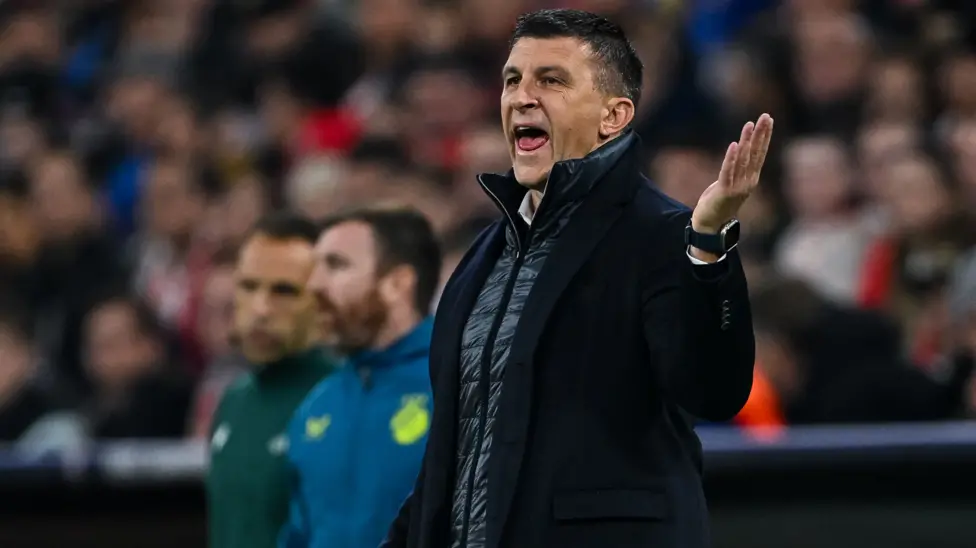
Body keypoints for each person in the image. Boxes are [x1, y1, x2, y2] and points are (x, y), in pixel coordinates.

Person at [383, 9, 772, 548]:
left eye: (552, 80)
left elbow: (713, 390)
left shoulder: (660, 233)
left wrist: (707, 244)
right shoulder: (483, 255)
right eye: (512, 79)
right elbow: (457, 449)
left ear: (613, 115)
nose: (521, 96)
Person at [278, 206, 441, 548]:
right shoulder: (317, 404)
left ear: (397, 283)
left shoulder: (459, 388)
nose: (313, 286)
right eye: (314, 269)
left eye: (336, 265)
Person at [207, 212, 336, 548]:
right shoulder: (234, 401)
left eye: (284, 291)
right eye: (249, 287)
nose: (261, 309)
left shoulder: (344, 402)